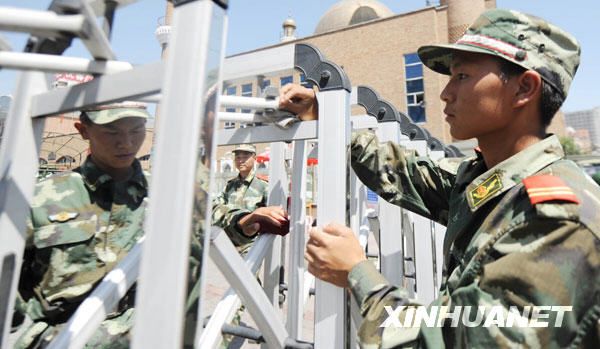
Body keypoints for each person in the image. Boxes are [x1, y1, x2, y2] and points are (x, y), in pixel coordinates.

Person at [280, 8, 600, 348]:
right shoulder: (491, 179)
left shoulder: (557, 222)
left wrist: (357, 273)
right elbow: (401, 172)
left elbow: (452, 342)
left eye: (461, 76)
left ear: (524, 88)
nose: (445, 93)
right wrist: (324, 114)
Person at [11, 103, 150, 348]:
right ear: (83, 130)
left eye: (137, 130)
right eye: (112, 132)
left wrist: (240, 225)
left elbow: (220, 232)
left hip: (142, 334)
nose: (126, 143)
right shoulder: (41, 198)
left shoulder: (167, 193)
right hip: (64, 337)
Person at [212, 144, 288, 254]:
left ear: (254, 158)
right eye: (238, 157)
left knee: (246, 271)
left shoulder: (263, 186)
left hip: (250, 244)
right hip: (229, 242)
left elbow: (271, 215)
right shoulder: (230, 185)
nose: (241, 160)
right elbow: (218, 206)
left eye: (245, 157)